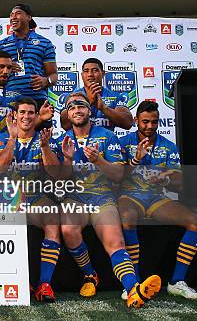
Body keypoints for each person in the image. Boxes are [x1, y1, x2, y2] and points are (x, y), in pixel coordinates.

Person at [58, 92, 160, 309]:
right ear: (68, 113)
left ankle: (133, 289)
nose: (77, 109)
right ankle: (89, 275)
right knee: (67, 229)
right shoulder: (62, 139)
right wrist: (67, 158)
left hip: (102, 196)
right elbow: (61, 179)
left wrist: (99, 160)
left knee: (115, 242)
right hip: (74, 196)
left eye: (81, 105)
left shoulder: (107, 136)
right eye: (72, 106)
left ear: (89, 111)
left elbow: (118, 175)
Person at [119, 100, 197, 299]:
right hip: (129, 196)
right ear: (136, 120)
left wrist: (165, 178)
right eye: (145, 121)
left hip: (156, 198)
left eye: (154, 122)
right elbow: (116, 177)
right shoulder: (123, 143)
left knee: (196, 222)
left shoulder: (168, 146)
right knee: (127, 218)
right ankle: (134, 283)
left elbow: (179, 180)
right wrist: (136, 160)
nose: (149, 126)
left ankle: (177, 281)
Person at [0, 98, 62, 302]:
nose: (26, 116)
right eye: (22, 112)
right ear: (15, 115)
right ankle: (20, 280)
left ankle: (44, 284)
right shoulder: (2, 139)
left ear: (36, 116)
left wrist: (46, 148)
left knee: (53, 219)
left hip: (37, 198)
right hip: (8, 199)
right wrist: (12, 140)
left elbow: (56, 174)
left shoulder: (45, 138)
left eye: (31, 112)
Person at [0, 51, 53, 139]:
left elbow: (25, 126)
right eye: (1, 67)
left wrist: (41, 118)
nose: (6, 71)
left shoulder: (17, 94)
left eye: (9, 67)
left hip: (7, 146)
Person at [0, 4, 57, 109]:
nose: (13, 17)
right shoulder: (0, 45)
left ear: (29, 17)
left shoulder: (45, 43)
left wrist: (46, 81)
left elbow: (53, 75)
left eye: (18, 13)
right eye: (11, 15)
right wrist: (4, 66)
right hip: (9, 100)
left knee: (43, 126)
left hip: (37, 99)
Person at [60, 58, 133, 132]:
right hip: (81, 142)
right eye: (86, 71)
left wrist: (104, 108)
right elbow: (65, 125)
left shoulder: (115, 96)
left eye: (95, 70)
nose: (90, 74)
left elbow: (128, 123)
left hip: (106, 142)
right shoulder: (72, 97)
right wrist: (88, 102)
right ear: (82, 75)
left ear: (103, 73)